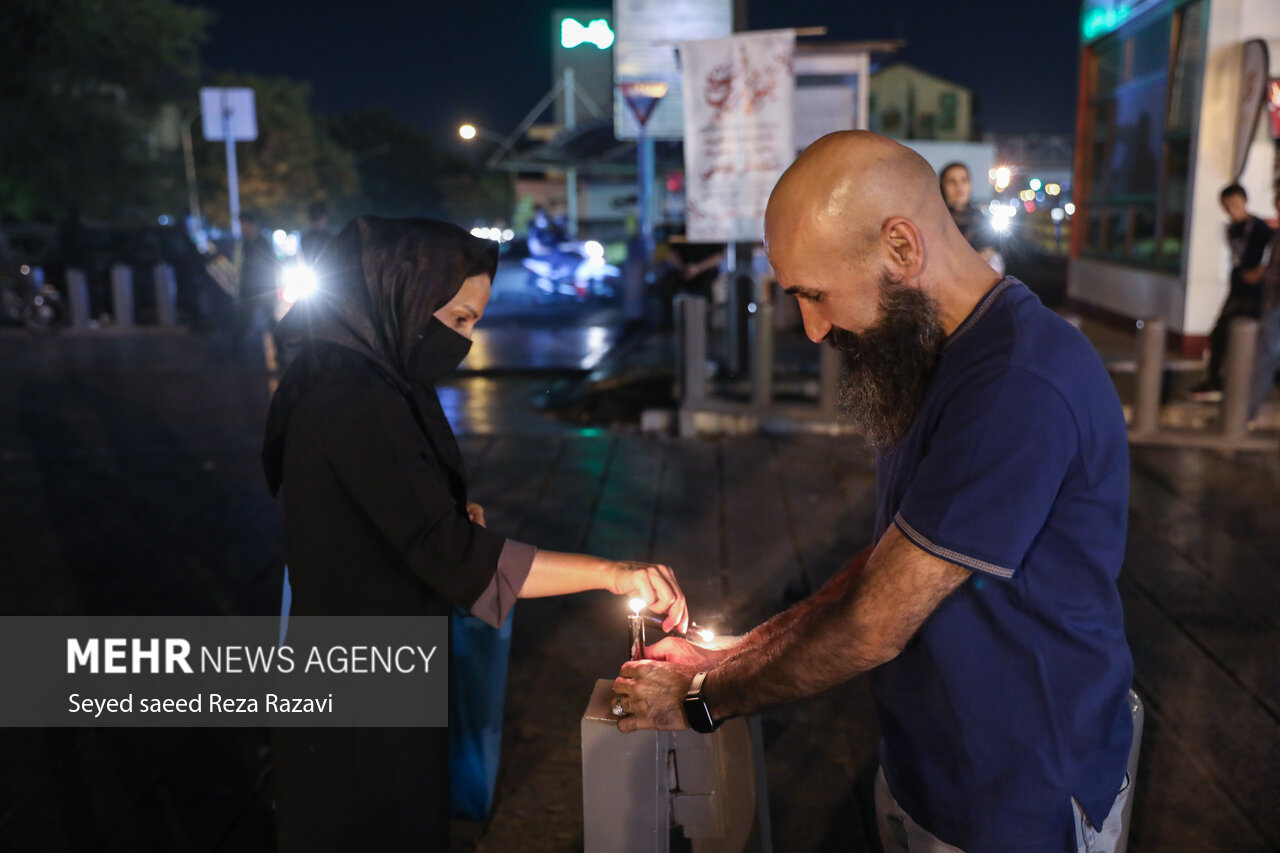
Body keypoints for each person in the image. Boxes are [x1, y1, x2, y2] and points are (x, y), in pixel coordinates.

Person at [613, 132, 1135, 853]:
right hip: (938, 768)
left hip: (1018, 794)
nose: (814, 327)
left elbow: (873, 622)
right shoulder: (937, 353)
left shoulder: (1015, 386)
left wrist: (702, 701)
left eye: (816, 294)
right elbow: (883, 566)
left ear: (901, 248)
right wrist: (727, 657)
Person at [262, 216, 688, 851]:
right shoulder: (359, 400)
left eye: (473, 322)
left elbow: (392, 511)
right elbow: (456, 557)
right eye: (458, 319)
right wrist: (612, 573)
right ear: (402, 295)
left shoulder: (364, 375)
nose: (464, 338)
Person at [1190, 184, 1274, 399]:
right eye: (1227, 206)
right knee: (1220, 335)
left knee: (1248, 338)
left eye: (1235, 204)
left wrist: (1261, 271)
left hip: (1255, 293)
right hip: (1237, 289)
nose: (1231, 210)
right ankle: (1216, 380)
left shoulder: (1258, 227)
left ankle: (1243, 385)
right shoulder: (1231, 228)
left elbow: (1274, 249)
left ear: (1244, 202)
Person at [938, 161, 1003, 275]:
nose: (959, 186)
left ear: (970, 184)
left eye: (964, 180)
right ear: (942, 186)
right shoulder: (936, 220)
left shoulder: (983, 219)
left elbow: (993, 258)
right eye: (951, 181)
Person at [1250, 180, 1280, 418]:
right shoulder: (1275, 235)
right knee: (1264, 358)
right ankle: (1244, 413)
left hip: (1275, 306)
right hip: (1272, 304)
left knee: (1265, 359)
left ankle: (1244, 414)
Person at [299, 200, 332, 266]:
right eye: (315, 219)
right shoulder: (305, 238)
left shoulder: (330, 237)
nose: (317, 222)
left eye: (319, 218)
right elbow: (303, 258)